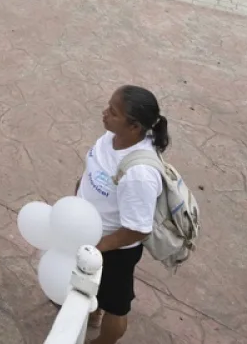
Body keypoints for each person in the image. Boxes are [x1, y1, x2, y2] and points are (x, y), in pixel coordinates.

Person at [78, 86, 170, 344]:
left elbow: (139, 228)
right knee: (92, 287)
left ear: (135, 127)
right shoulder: (112, 137)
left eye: (113, 112)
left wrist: (100, 247)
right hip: (92, 236)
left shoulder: (139, 174)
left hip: (114, 250)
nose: (105, 113)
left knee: (116, 306)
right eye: (108, 106)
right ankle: (94, 312)